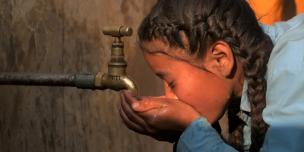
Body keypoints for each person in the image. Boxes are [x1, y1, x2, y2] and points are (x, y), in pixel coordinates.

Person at [119, 0, 304, 151]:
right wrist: (185, 130)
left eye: (171, 82)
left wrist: (192, 128)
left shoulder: (294, 64)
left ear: (220, 59)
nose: (169, 96)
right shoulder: (251, 66)